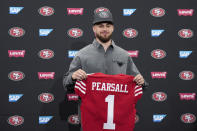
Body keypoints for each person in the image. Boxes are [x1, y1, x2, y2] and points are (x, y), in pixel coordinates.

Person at [63, 8, 148, 130]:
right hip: (91, 123)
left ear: (113, 28)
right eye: (100, 25)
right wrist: (73, 77)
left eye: (108, 25)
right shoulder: (82, 55)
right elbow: (66, 83)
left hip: (118, 124)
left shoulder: (124, 55)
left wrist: (141, 81)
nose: (104, 29)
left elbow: (139, 84)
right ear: (94, 28)